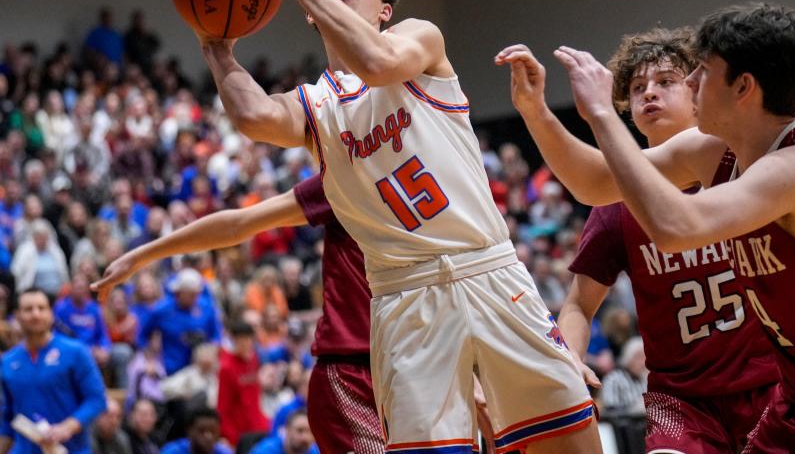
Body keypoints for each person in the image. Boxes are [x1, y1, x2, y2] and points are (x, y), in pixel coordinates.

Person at [191, 0, 600, 453]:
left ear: (385, 9)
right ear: (312, 13)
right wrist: (215, 46)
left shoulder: (419, 39)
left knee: (569, 445)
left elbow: (377, 63)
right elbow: (255, 116)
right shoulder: (317, 104)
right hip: (403, 300)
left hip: (489, 271)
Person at [528, 2, 795, 453]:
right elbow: (596, 182)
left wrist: (602, 114)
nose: (692, 81)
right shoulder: (712, 150)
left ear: (743, 88)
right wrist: (536, 111)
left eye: (703, 72)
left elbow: (675, 226)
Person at [497, 28, 779, 452]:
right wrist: (569, 356)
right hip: (680, 399)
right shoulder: (615, 204)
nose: (650, 93)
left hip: (769, 381)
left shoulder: (735, 162)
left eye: (666, 82)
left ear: (696, 92)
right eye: (637, 87)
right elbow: (577, 303)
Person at [93, 174, 493, 454]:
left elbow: (457, 289)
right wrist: (141, 255)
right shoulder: (347, 177)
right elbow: (241, 223)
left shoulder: (449, 184)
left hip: (423, 373)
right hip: (352, 371)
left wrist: (469, 370)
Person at [0, 288, 107, 454]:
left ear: (51, 313)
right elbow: (8, 418)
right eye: (28, 309)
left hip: (69, 449)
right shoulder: (7, 362)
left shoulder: (75, 352)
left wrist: (68, 427)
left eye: (41, 308)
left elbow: (96, 399)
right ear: (17, 316)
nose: (36, 314)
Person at [137, 268, 221, 375]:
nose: (195, 298)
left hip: (201, 370)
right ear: (178, 293)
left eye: (197, 294)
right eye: (190, 294)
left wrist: (210, 352)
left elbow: (216, 336)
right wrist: (150, 360)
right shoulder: (162, 310)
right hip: (171, 370)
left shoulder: (207, 308)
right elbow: (142, 336)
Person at [217, 322, 270, 447]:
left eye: (249, 339)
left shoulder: (254, 359)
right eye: (242, 340)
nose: (246, 344)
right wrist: (231, 437)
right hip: (239, 431)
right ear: (233, 340)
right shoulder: (226, 367)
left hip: (257, 424)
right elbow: (223, 407)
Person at [158, 408, 232, 454]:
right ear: (189, 431)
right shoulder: (172, 451)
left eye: (213, 431)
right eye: (202, 431)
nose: (208, 436)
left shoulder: (224, 452)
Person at [248, 412, 317, 454]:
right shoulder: (266, 450)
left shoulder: (313, 451)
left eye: (310, 432)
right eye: (300, 430)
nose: (305, 437)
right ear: (287, 430)